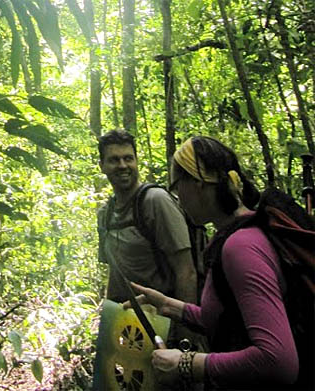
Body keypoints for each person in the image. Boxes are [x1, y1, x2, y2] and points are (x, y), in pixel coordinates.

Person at [129, 136, 304, 390]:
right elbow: (233, 318)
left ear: (198, 183)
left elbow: (278, 361)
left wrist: (187, 364)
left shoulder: (240, 247)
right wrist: (170, 306)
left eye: (177, 187)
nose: (178, 198)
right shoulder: (237, 235)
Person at [97, 129, 199, 345]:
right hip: (131, 328)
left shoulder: (155, 201)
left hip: (167, 324)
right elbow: (115, 275)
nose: (123, 165)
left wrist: (186, 337)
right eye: (114, 160)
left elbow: (186, 271)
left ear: (136, 161)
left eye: (128, 158)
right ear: (102, 166)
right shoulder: (105, 214)